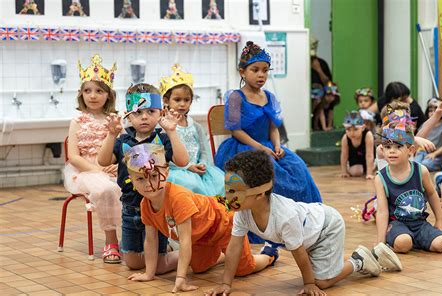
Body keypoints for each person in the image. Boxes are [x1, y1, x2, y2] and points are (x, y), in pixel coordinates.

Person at [205, 150, 402, 296]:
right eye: (227, 189)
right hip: (309, 230)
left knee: (321, 282)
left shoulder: (284, 217)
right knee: (316, 272)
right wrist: (226, 284)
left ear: (258, 194)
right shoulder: (243, 211)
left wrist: (309, 284)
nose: (227, 196)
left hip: (327, 228)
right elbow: (234, 248)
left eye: (233, 192)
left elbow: (298, 252)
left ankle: (359, 261)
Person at [125, 144, 276, 293]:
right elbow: (151, 240)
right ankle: (227, 255)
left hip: (223, 221)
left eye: (153, 176)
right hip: (202, 235)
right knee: (199, 268)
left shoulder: (178, 198)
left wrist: (180, 278)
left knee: (244, 269)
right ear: (131, 180)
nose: (149, 184)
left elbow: (184, 241)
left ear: (166, 171)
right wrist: (148, 274)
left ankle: (269, 253)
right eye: (140, 179)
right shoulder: (145, 204)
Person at [214, 41, 322, 205]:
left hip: (268, 146)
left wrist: (277, 145)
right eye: (255, 70)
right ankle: (265, 218)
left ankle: (298, 216)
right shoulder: (236, 97)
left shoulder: (269, 97)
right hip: (244, 146)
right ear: (242, 72)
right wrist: (261, 148)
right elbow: (236, 131)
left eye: (265, 70)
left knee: (298, 167)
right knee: (269, 171)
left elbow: (273, 128)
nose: (261, 75)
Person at [97, 82, 189, 271]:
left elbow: (182, 161)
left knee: (158, 266)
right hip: (131, 207)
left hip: (157, 208)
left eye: (150, 112)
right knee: (132, 263)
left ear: (160, 112)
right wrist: (111, 135)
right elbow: (103, 161)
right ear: (129, 115)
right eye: (138, 113)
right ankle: (166, 249)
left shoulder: (162, 139)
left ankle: (191, 253)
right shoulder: (123, 140)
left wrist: (172, 132)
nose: (144, 117)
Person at [63, 54, 122, 263]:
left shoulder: (113, 119)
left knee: (143, 184)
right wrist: (97, 170)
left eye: (99, 91)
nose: (93, 96)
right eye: (87, 90)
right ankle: (111, 241)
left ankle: (141, 237)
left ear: (109, 94)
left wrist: (116, 165)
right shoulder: (78, 120)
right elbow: (72, 156)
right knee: (107, 189)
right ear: (81, 94)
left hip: (110, 168)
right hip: (84, 171)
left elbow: (119, 151)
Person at [374, 116, 442, 254]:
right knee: (404, 243)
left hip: (420, 223)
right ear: (382, 150)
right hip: (397, 224)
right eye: (388, 147)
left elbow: (432, 194)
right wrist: (380, 242)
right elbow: (383, 211)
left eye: (398, 146)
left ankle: (418, 239)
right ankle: (402, 240)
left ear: (410, 150)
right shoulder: (380, 178)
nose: (392, 151)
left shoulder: (421, 171)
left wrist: (440, 220)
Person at [159, 64, 225, 196]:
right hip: (177, 171)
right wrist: (188, 167)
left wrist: (203, 164)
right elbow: (163, 155)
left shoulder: (195, 126)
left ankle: (217, 215)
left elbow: (204, 150)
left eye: (186, 100)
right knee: (191, 185)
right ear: (166, 100)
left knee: (222, 182)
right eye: (177, 100)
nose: (182, 104)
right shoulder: (163, 126)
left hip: (199, 169)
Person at [414, 98, 442, 172]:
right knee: (415, 165)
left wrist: (434, 154)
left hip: (436, 156)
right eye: (430, 111)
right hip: (421, 152)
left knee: (424, 165)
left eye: (436, 109)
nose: (433, 113)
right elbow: (418, 139)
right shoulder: (424, 125)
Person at [339, 111, 375, 179]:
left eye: (355, 129)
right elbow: (344, 156)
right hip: (354, 158)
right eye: (348, 130)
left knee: (375, 168)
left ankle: (371, 167)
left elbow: (369, 155)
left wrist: (369, 173)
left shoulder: (368, 135)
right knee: (356, 172)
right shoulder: (345, 138)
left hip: (367, 157)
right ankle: (350, 166)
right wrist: (344, 172)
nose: (352, 133)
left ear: (363, 128)